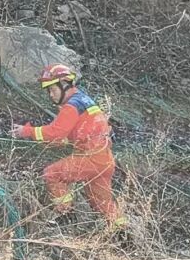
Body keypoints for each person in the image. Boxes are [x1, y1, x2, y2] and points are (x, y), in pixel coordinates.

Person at [8, 64, 126, 229]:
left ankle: (66, 215)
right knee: (104, 206)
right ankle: (123, 235)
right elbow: (72, 134)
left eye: (52, 89)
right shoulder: (83, 100)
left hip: (90, 159)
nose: (51, 95)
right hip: (104, 160)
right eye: (48, 91)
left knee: (52, 174)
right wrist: (46, 139)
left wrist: (27, 131)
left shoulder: (71, 106)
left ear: (64, 84)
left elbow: (56, 132)